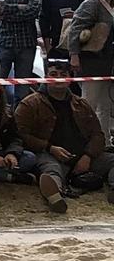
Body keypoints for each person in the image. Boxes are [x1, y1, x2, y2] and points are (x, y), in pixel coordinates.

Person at [15, 61, 114, 213]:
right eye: (53, 74)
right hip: (48, 154)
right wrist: (50, 148)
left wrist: (87, 156)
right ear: (46, 77)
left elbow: (97, 134)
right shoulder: (29, 104)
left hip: (83, 155)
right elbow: (21, 135)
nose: (58, 78)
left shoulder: (82, 104)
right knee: (51, 170)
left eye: (63, 75)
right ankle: (55, 197)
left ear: (70, 78)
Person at [65, 0, 114, 143]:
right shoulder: (92, 4)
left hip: (106, 63)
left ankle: (104, 140)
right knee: (88, 104)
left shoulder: (111, 6)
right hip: (91, 62)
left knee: (105, 105)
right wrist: (74, 55)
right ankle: (82, 140)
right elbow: (75, 29)